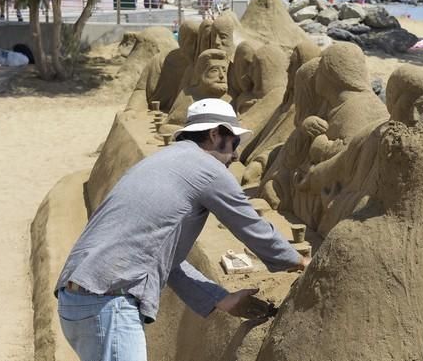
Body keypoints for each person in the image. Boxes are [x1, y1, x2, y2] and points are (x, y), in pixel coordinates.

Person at [55, 98, 310, 361]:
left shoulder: (164, 162)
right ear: (214, 134)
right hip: (108, 303)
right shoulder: (206, 168)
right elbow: (249, 224)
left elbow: (163, 259)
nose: (236, 154)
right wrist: (299, 261)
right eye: (234, 142)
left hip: (77, 302)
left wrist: (220, 299)